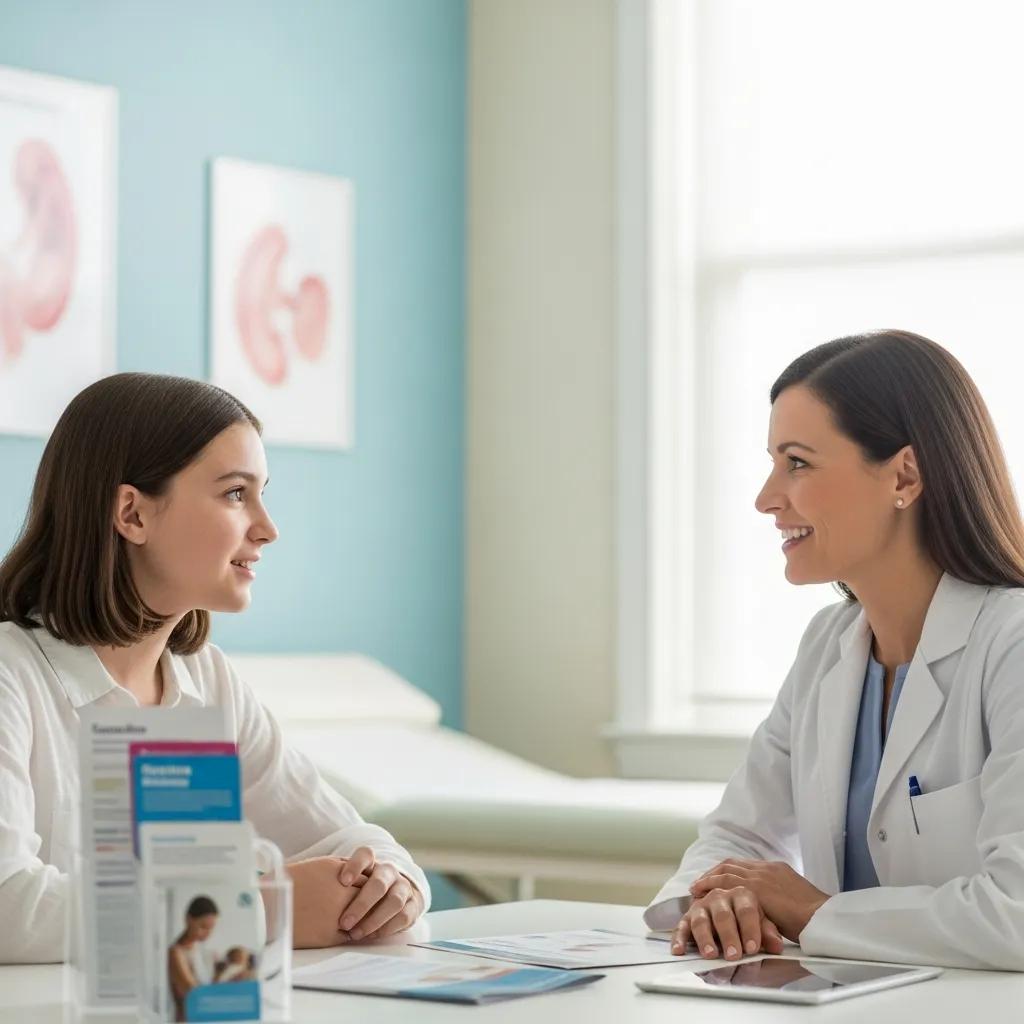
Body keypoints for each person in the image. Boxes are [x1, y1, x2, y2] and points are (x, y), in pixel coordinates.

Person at [0, 373, 429, 964]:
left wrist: (394, 884)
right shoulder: (12, 676)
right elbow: (9, 908)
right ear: (132, 514)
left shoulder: (205, 679)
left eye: (261, 494)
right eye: (235, 493)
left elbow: (344, 835)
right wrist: (253, 909)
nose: (267, 527)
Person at [646, 329, 1024, 971]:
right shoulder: (828, 643)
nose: (767, 498)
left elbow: (1016, 915)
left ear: (904, 475)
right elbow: (736, 837)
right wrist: (713, 902)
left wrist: (813, 912)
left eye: (797, 462)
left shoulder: (1010, 644)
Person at [168, 895, 221, 1021]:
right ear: (188, 919)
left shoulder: (201, 951)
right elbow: (193, 993)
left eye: (211, 928)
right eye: (203, 927)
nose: (207, 933)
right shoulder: (176, 953)